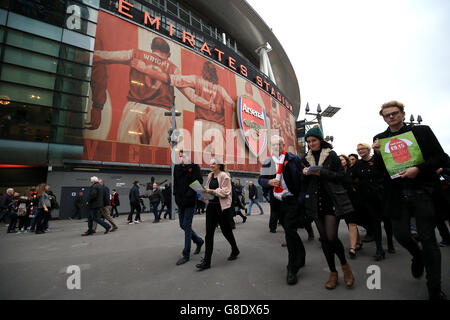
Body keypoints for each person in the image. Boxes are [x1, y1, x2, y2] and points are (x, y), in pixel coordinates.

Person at [372, 100, 447, 300]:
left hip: (422, 192)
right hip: (397, 196)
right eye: (386, 115)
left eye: (394, 113)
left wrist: (419, 169)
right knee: (401, 235)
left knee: (428, 239)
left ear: (403, 114)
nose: (391, 117)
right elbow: (380, 171)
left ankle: (434, 289)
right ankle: (418, 255)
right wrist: (378, 155)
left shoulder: (421, 132)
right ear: (383, 117)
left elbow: (442, 158)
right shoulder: (381, 139)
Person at [302, 127, 355, 290]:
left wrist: (320, 172)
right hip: (315, 202)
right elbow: (305, 183)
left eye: (314, 140)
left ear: (321, 140)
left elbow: (341, 176)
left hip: (332, 200)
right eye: (309, 141)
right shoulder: (305, 158)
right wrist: (304, 173)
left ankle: (345, 267)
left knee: (331, 237)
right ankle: (333, 273)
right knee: (324, 239)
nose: (311, 144)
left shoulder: (331, 155)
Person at [258, 135, 306, 285]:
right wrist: (268, 182)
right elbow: (261, 179)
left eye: (277, 144)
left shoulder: (293, 159)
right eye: (272, 145)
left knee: (290, 231)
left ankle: (292, 267)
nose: (275, 147)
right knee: (289, 231)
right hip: (277, 202)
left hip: (291, 200)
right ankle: (301, 255)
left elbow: (303, 180)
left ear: (283, 145)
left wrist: (301, 200)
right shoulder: (268, 161)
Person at [353, 143, 395, 260]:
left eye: (362, 149)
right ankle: (379, 249)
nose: (360, 151)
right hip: (368, 198)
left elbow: (387, 171)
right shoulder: (358, 164)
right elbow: (351, 177)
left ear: (368, 149)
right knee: (375, 223)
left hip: (382, 196)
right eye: (358, 149)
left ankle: (390, 244)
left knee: (387, 221)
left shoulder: (377, 160)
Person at [196, 159, 240, 271]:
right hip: (211, 206)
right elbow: (207, 189)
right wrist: (203, 192)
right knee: (209, 234)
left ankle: (235, 249)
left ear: (219, 165)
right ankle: (207, 261)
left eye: (213, 163)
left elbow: (226, 192)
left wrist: (213, 191)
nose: (211, 165)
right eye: (210, 163)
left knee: (226, 231)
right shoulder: (210, 175)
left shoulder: (224, 176)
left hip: (222, 208)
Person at [173, 150, 205, 265]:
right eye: (180, 156)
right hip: (180, 201)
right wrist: (176, 196)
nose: (181, 158)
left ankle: (186, 253)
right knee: (182, 224)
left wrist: (189, 195)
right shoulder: (176, 168)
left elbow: (199, 182)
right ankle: (199, 241)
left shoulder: (195, 167)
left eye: (183, 156)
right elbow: (175, 183)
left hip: (190, 201)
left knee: (186, 225)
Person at [340, 154, 363, 259]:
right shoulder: (337, 172)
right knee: (349, 222)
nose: (341, 161)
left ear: (346, 160)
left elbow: (359, 180)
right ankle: (358, 242)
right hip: (343, 201)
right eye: (338, 160)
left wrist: (354, 186)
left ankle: (352, 248)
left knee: (352, 223)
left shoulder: (352, 170)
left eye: (342, 159)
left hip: (354, 200)